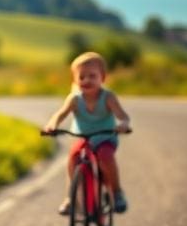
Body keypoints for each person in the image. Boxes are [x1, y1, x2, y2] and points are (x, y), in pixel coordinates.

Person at [40, 51, 131, 215]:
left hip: (105, 138)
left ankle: (117, 192)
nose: (86, 80)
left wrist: (123, 124)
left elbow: (122, 116)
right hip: (83, 139)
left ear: (103, 78)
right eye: (81, 77)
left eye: (92, 76)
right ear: (75, 80)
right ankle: (71, 198)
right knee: (74, 157)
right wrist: (52, 125)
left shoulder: (108, 97)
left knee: (105, 156)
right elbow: (60, 114)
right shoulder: (74, 99)